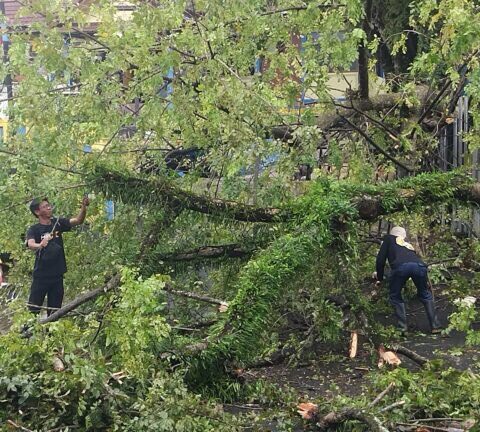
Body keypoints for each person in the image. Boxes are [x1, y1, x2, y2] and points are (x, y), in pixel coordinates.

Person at [26, 196, 89, 316]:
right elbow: (31, 244)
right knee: (33, 311)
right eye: (45, 206)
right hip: (41, 277)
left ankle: (52, 327)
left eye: (48, 205)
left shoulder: (58, 223)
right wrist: (40, 244)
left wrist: (84, 207)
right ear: (37, 212)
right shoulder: (34, 229)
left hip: (57, 276)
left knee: (55, 312)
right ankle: (30, 328)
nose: (49, 207)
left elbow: (78, 220)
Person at [373, 226, 441, 334]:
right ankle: (435, 326)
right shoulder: (407, 245)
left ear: (392, 234)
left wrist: (380, 278)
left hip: (401, 267)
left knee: (395, 295)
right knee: (425, 294)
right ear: (403, 236)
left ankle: (402, 328)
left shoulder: (388, 239)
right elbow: (411, 262)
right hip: (419, 266)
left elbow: (380, 260)